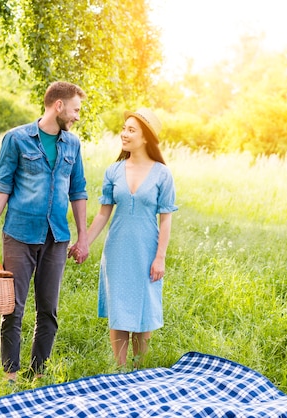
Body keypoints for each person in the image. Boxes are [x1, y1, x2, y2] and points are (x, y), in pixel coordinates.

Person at [0, 81, 89, 382]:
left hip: (57, 238)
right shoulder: (17, 139)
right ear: (58, 106)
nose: (77, 116)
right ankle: (10, 376)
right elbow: (1, 187)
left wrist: (83, 236)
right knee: (12, 308)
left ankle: (37, 376)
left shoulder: (73, 144)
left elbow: (78, 191)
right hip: (20, 235)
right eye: (75, 109)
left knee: (48, 311)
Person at [75, 108, 177, 368]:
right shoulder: (114, 171)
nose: (124, 134)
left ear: (146, 138)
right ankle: (119, 370)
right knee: (119, 310)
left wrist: (160, 257)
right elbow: (102, 215)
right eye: (124, 128)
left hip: (146, 250)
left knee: (143, 310)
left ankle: (138, 369)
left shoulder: (162, 174)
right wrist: (83, 241)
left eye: (131, 130)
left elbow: (166, 219)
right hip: (117, 249)